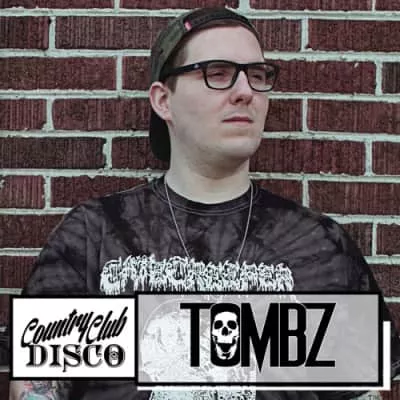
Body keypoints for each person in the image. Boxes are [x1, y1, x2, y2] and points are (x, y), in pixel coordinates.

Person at [9, 7, 400, 400]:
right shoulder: (94, 236)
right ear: (164, 100)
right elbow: (37, 391)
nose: (245, 91)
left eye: (257, 75)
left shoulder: (321, 248)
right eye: (218, 73)